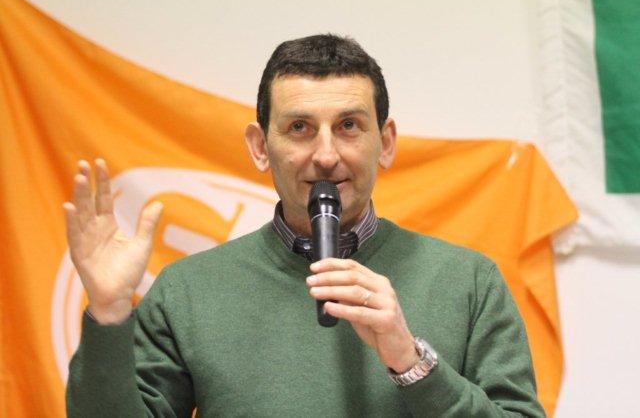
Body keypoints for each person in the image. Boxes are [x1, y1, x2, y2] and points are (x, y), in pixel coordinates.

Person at [64, 34, 545, 417]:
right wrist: (108, 312)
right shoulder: (186, 291)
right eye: (300, 128)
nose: (326, 155)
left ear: (386, 142)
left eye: (349, 125)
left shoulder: (469, 281)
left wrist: (412, 362)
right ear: (260, 147)